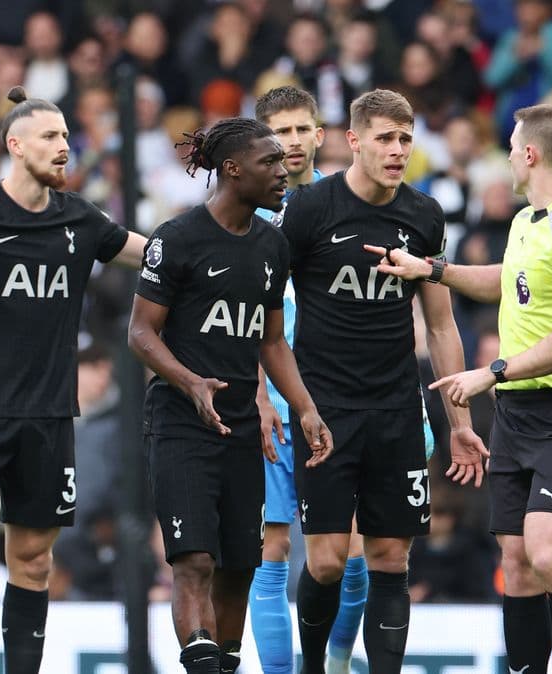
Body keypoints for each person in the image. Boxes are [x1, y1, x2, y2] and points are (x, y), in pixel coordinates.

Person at [370, 104, 552, 673]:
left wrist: (493, 371)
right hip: (517, 413)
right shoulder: (527, 220)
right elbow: (509, 282)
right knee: (518, 559)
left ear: (530, 154)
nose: (506, 155)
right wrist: (432, 270)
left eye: (511, 146)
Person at [279, 89, 487, 674]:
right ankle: (314, 667)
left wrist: (459, 421)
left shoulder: (423, 215)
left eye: (406, 139)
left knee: (391, 558)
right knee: (324, 563)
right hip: (325, 408)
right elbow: (267, 313)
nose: (397, 150)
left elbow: (442, 325)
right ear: (354, 141)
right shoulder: (311, 209)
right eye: (385, 139)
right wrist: (269, 398)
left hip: (397, 406)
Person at [128, 116, 333, 674]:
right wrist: (189, 380)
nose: (282, 169)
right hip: (180, 423)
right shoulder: (177, 239)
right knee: (194, 560)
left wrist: (306, 408)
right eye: (269, 162)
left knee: (241, 565)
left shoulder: (272, 245)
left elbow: (271, 341)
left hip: (243, 426)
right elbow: (141, 332)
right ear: (232, 170)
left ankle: (223, 662)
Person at [0, 87, 146, 674]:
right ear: (15, 145)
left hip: (49, 417)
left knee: (34, 561)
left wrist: (220, 249)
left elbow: (151, 256)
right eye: (49, 137)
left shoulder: (79, 218)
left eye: (66, 136)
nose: (64, 147)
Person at [246, 85, 362, 674]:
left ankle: (336, 665)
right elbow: (233, 317)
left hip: (344, 393)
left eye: (301, 130)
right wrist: (254, 392)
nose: (291, 142)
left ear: (321, 135)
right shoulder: (242, 211)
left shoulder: (350, 201)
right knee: (271, 547)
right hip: (270, 397)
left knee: (352, 553)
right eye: (279, 133)